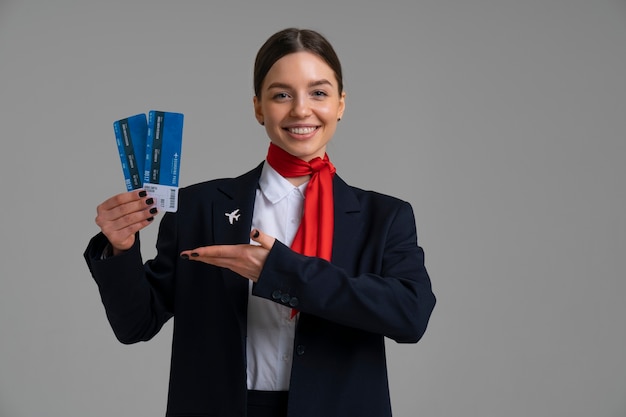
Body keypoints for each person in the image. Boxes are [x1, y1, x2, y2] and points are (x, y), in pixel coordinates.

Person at [84, 27, 436, 417]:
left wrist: (280, 272)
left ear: (340, 104)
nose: (301, 110)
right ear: (258, 108)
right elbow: (137, 324)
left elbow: (411, 316)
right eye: (281, 94)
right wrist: (120, 248)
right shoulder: (198, 207)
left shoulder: (384, 216)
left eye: (318, 93)